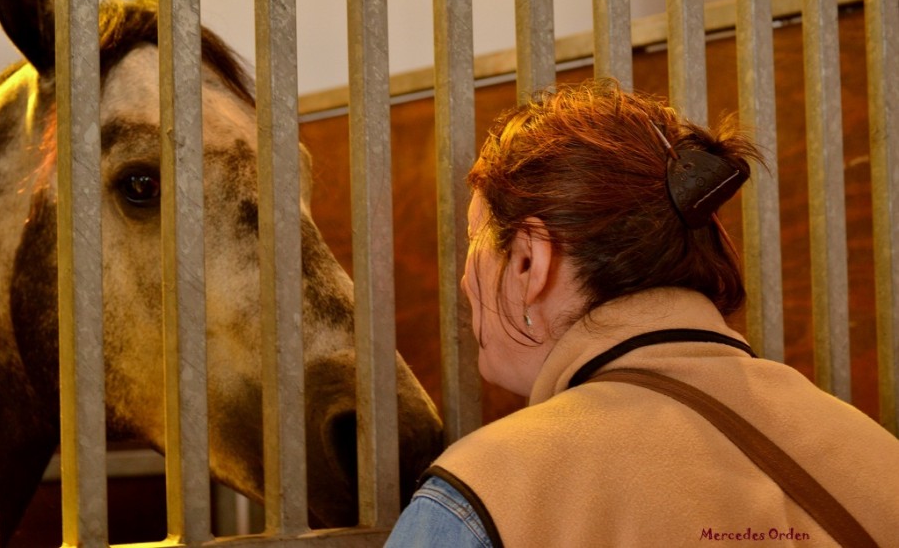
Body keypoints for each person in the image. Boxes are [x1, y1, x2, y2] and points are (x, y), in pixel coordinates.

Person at [385, 79, 899, 547]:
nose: (464, 279)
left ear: (529, 263)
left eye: (476, 239)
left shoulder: (479, 500)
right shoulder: (877, 456)